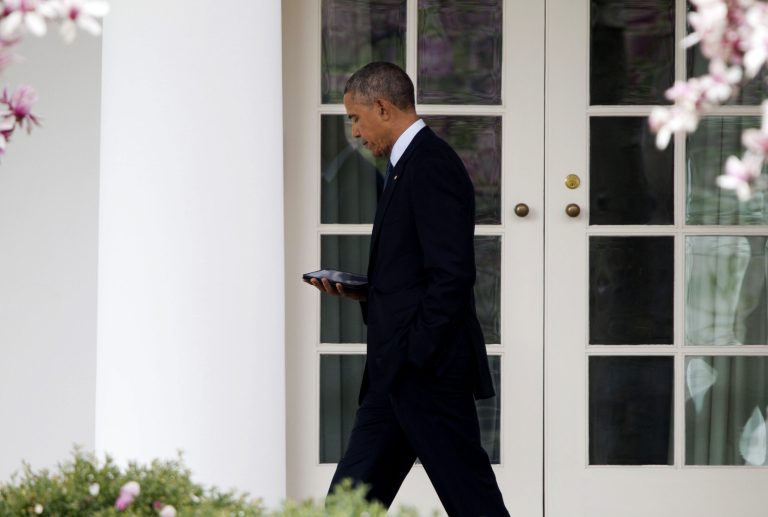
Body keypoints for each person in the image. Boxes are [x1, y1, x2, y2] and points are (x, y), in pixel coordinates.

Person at [307, 62, 509, 517]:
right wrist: (367, 292)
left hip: (426, 373)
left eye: (356, 118)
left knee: (473, 501)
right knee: (347, 505)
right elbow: (417, 273)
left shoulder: (431, 165)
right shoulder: (405, 165)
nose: (355, 132)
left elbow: (452, 275)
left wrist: (415, 353)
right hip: (394, 373)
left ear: (382, 108)